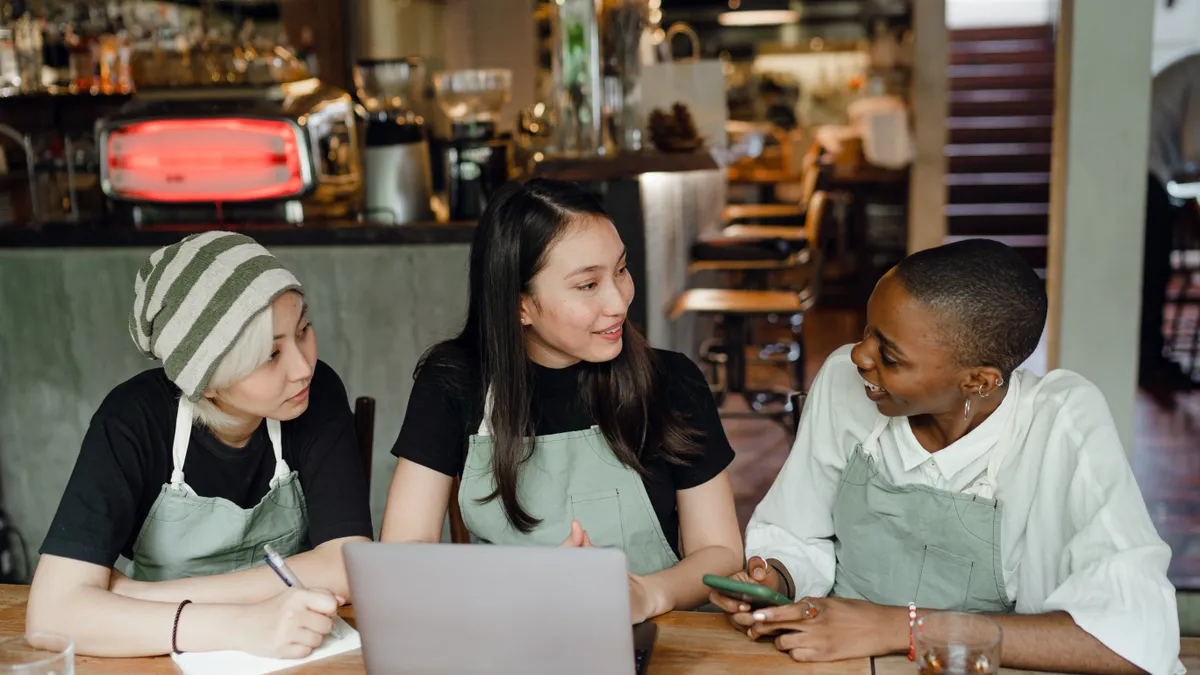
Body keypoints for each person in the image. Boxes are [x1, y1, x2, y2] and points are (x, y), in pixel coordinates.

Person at [710, 240, 1182, 675]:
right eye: (867, 331)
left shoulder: (1061, 422)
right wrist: (779, 578)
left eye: (890, 357)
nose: (858, 355)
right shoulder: (844, 380)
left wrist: (899, 627)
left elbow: (1135, 638)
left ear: (977, 381)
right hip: (836, 655)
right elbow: (798, 528)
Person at [381, 178, 743, 622]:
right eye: (588, 285)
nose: (618, 301)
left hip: (656, 636)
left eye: (621, 270)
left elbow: (720, 551)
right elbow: (403, 551)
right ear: (521, 306)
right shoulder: (453, 383)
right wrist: (528, 585)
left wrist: (647, 594)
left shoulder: (672, 380)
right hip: (504, 636)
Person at [27, 232, 373, 658]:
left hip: (293, 646)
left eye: (304, 329)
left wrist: (142, 596)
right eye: (270, 355)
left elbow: (348, 564)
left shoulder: (315, 396)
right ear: (205, 383)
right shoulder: (133, 420)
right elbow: (51, 615)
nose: (303, 367)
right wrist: (242, 625)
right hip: (155, 655)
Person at [1141, 52, 1200, 389]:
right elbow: (1194, 149)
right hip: (1145, 173)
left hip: (1149, 172)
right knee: (1153, 275)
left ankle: (1151, 359)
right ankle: (1150, 362)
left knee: (1153, 274)